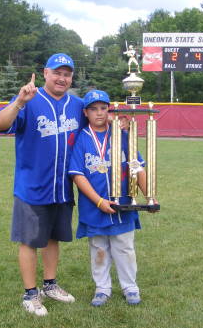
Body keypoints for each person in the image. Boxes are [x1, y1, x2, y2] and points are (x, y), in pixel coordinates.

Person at [0, 53, 85, 316]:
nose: (62, 78)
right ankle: (30, 294)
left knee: (53, 238)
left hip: (62, 187)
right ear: (45, 73)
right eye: (57, 72)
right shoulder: (29, 100)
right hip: (32, 187)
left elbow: (98, 125)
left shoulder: (77, 105)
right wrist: (20, 102)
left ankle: (50, 285)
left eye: (67, 74)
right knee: (29, 241)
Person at [68, 89, 156, 307]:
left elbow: (137, 167)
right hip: (94, 207)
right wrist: (98, 201)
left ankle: (130, 287)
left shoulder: (121, 136)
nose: (99, 113)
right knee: (98, 248)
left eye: (103, 108)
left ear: (109, 110)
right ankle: (102, 288)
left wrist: (150, 196)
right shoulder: (82, 139)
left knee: (124, 247)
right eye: (93, 109)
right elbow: (78, 175)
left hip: (124, 205)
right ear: (86, 113)